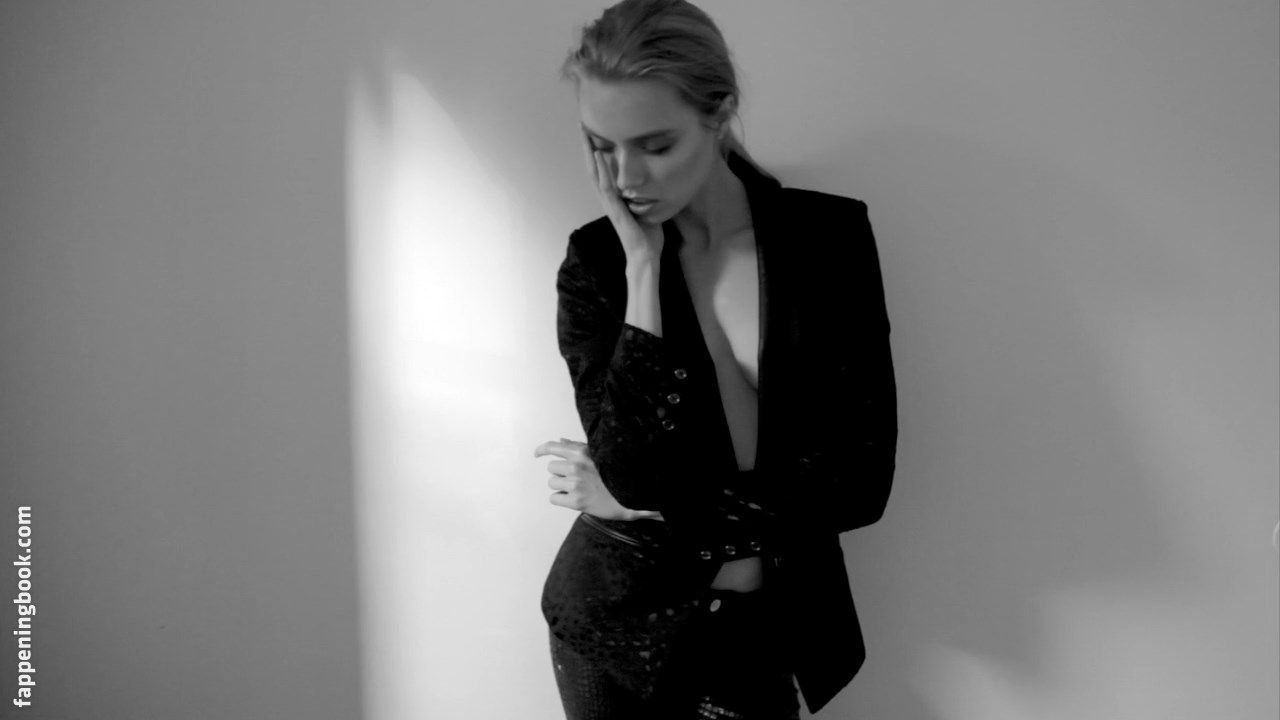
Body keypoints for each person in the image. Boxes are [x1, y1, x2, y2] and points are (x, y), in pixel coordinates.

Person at [533, 1, 897, 717]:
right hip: (616, 624)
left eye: (656, 145)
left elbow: (858, 483)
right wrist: (643, 267)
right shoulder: (599, 263)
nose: (626, 176)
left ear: (719, 113)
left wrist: (647, 507)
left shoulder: (828, 241)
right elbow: (631, 469)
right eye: (601, 146)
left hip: (764, 628)